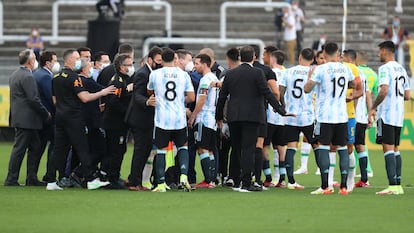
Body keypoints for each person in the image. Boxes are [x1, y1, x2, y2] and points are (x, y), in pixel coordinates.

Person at [216, 45, 289, 193]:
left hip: (234, 116)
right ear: (254, 57)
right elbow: (267, 93)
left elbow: (222, 97)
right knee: (249, 148)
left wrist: (218, 117)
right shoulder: (258, 73)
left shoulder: (230, 74)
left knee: (236, 148)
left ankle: (235, 180)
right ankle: (246, 182)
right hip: (252, 116)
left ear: (239, 58)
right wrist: (280, 110)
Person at [44, 49, 115, 190]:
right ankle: (90, 179)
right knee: (82, 148)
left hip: (60, 116)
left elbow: (55, 100)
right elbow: (85, 97)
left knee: (59, 149)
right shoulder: (74, 77)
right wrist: (102, 92)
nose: (79, 61)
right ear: (69, 60)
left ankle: (51, 180)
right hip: (74, 117)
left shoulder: (56, 77)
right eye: (77, 58)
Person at [304, 42, 356, 195]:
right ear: (338, 53)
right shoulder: (345, 68)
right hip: (341, 116)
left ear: (324, 54)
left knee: (324, 148)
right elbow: (353, 83)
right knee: (342, 149)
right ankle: (344, 186)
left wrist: (310, 77)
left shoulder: (320, 69)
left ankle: (325, 186)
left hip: (325, 116)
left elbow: (307, 89)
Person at [147, 48, 195, 192]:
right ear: (175, 59)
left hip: (162, 118)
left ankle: (161, 184)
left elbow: (150, 91)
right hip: (179, 117)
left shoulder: (154, 74)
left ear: (161, 59)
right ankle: (183, 178)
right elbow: (192, 97)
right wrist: (180, 101)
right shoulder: (183, 75)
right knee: (183, 147)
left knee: (161, 150)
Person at [369, 41, 410, 195]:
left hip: (387, 114)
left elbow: (384, 90)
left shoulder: (384, 69)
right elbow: (406, 95)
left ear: (385, 51)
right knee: (395, 149)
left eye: (380, 51)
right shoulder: (402, 68)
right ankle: (398, 184)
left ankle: (392, 186)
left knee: (387, 148)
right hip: (399, 115)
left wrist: (373, 107)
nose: (379, 54)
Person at [4, 49, 50, 186]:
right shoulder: (28, 77)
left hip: (21, 118)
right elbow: (33, 99)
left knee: (35, 146)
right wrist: (45, 113)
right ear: (30, 61)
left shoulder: (15, 74)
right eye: (34, 58)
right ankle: (12, 179)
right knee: (20, 149)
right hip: (28, 120)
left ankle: (31, 177)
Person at [279, 48, 318, 190]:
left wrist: (283, 109)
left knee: (291, 147)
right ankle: (326, 180)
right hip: (308, 116)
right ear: (313, 59)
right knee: (316, 146)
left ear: (300, 57)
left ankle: (291, 182)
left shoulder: (288, 72)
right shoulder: (314, 72)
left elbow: (280, 93)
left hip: (291, 116)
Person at [124, 46, 163, 191]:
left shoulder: (153, 73)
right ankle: (135, 182)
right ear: (150, 59)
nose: (160, 63)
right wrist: (147, 102)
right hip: (140, 118)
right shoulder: (142, 73)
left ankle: (133, 178)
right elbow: (137, 95)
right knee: (141, 150)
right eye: (158, 61)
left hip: (145, 118)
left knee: (144, 150)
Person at [102, 53, 135, 189]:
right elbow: (114, 102)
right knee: (116, 150)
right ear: (121, 67)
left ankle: (114, 176)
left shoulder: (123, 80)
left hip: (117, 123)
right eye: (129, 64)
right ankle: (112, 178)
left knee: (119, 149)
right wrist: (127, 113)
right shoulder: (117, 81)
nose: (132, 67)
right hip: (115, 123)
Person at [188, 54, 219, 189]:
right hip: (212, 119)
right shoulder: (214, 78)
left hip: (204, 118)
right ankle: (212, 180)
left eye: (197, 63)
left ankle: (207, 180)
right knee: (210, 150)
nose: (195, 66)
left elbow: (201, 99)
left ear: (205, 64)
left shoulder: (205, 80)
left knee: (202, 149)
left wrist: (193, 116)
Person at [33, 51, 61, 184]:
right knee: (53, 146)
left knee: (38, 148)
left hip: (41, 118)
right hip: (48, 118)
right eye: (55, 60)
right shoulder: (45, 76)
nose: (56, 63)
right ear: (48, 62)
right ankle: (49, 175)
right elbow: (51, 98)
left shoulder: (37, 74)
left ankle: (32, 176)